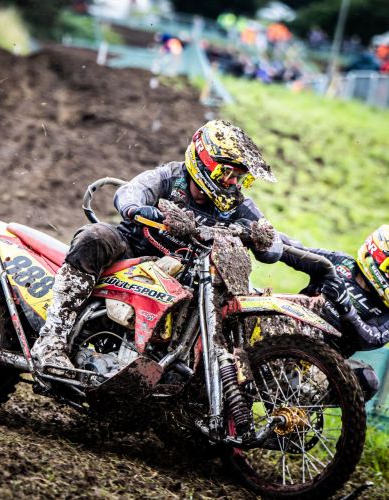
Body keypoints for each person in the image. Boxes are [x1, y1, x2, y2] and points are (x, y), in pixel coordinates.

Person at [31, 120, 283, 374]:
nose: (233, 182)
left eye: (240, 177)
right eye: (226, 173)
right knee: (96, 237)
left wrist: (263, 240)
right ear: (203, 162)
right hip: (135, 251)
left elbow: (274, 241)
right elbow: (132, 190)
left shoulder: (239, 205)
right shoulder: (170, 177)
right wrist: (136, 208)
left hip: (189, 274)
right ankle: (52, 340)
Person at [280, 226, 389, 399]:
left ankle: (302, 403)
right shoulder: (340, 262)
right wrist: (263, 234)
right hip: (282, 326)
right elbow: (297, 251)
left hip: (319, 362)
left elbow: (371, 339)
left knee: (367, 380)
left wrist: (346, 307)